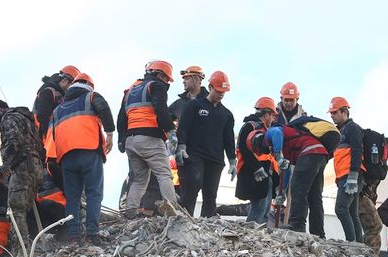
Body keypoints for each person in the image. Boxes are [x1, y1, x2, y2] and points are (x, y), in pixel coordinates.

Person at [50, 72, 114, 243]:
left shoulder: (57, 110)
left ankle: (73, 235)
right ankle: (92, 234)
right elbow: (104, 109)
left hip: (66, 158)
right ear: (89, 86)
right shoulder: (91, 97)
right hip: (88, 151)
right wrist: (110, 134)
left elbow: (55, 136)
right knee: (94, 193)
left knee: (72, 198)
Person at [117, 60, 178, 216]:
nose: (167, 83)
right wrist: (171, 131)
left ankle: (130, 212)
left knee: (138, 180)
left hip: (131, 140)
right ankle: (174, 213)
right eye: (167, 79)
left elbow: (121, 117)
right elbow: (161, 109)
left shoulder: (131, 90)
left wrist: (121, 139)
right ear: (160, 75)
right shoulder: (156, 86)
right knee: (164, 174)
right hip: (150, 138)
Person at [176, 71, 236, 217]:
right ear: (210, 87)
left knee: (211, 193)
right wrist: (181, 146)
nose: (221, 94)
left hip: (215, 159)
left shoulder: (226, 114)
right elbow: (184, 127)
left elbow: (228, 139)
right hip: (195, 154)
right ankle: (185, 218)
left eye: (224, 92)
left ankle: (207, 221)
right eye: (218, 90)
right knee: (193, 184)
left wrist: (232, 161)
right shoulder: (195, 105)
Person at [253, 123, 327, 237]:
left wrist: (278, 154)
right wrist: (281, 192)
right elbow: (286, 170)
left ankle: (297, 224)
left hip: (309, 151)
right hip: (320, 153)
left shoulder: (270, 133)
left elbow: (277, 133)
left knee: (298, 188)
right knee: (314, 195)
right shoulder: (285, 146)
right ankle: (318, 232)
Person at [0, 100, 43, 245]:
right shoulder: (26, 119)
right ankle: (34, 247)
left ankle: (21, 252)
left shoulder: (9, 118)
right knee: (25, 209)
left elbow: (14, 142)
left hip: (22, 166)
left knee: (15, 211)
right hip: (36, 165)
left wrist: (4, 169)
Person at [235, 97, 279, 223]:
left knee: (265, 211)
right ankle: (250, 236)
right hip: (254, 173)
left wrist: (275, 180)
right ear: (266, 115)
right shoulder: (250, 127)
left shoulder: (264, 130)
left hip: (265, 175)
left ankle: (259, 238)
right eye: (272, 115)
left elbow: (270, 158)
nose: (273, 119)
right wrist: (257, 168)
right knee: (258, 209)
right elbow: (244, 148)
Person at [329, 97, 365, 242]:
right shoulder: (340, 131)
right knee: (352, 212)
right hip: (345, 176)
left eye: (334, 112)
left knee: (341, 209)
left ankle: (352, 243)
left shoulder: (352, 128)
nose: (332, 116)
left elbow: (357, 150)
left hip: (350, 175)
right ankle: (358, 245)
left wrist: (353, 175)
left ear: (344, 112)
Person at [359, 138, 388, 253]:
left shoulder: (381, 165)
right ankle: (369, 256)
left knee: (374, 228)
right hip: (361, 195)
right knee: (375, 226)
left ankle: (372, 256)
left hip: (368, 197)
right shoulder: (371, 160)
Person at [32, 65, 80, 141]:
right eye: (72, 85)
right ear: (64, 81)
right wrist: (50, 138)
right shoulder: (48, 92)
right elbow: (43, 117)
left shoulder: (60, 96)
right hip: (44, 138)